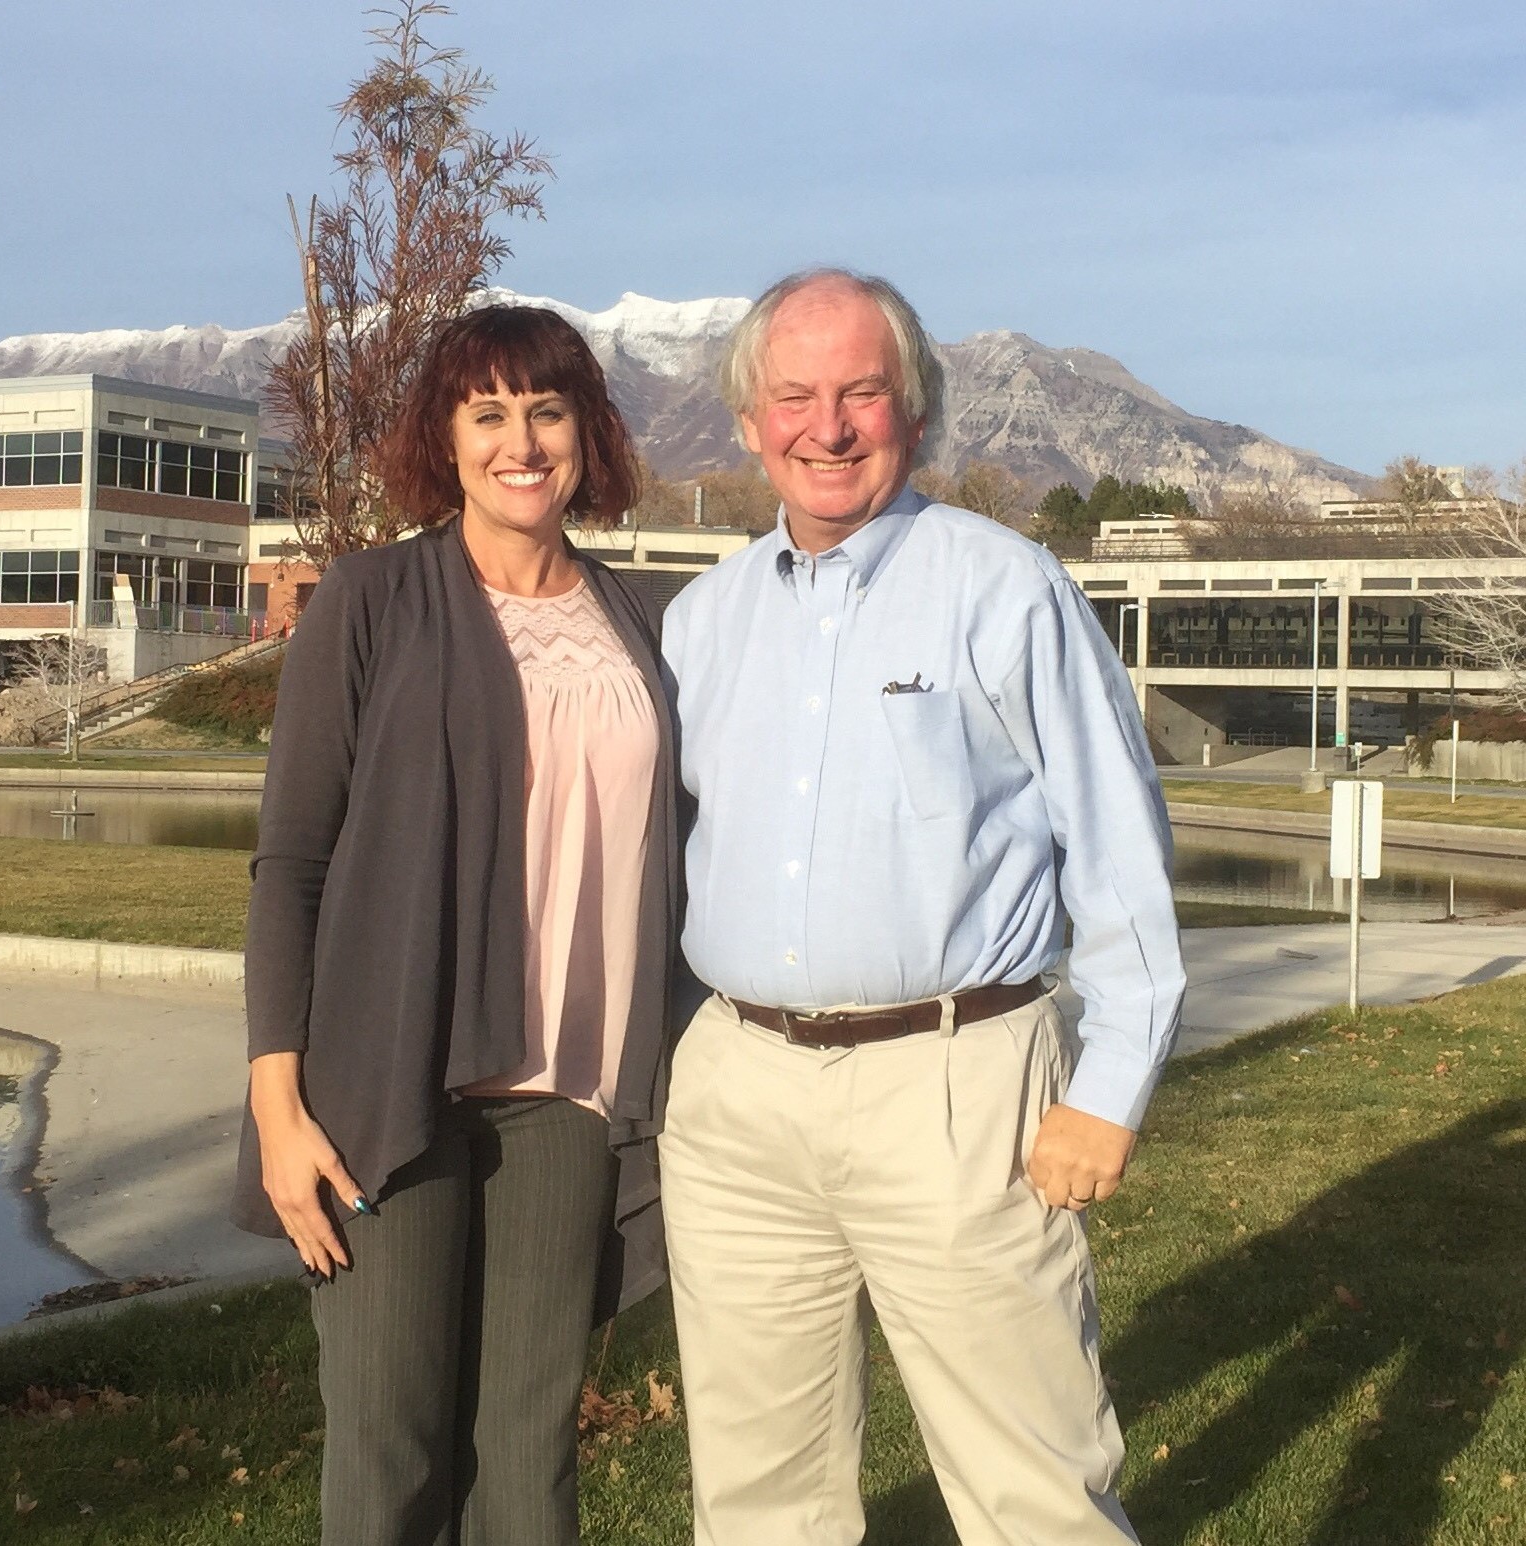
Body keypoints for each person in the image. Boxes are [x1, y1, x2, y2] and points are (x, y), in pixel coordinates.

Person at [658, 269, 1187, 1545]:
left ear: (914, 411)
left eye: (860, 393)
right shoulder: (701, 622)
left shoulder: (1004, 590)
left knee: (1032, 1489)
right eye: (792, 395)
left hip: (956, 1088)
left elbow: (1117, 853)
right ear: (746, 419)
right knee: (756, 1499)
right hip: (739, 1099)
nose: (825, 426)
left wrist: (1107, 1090)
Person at [231, 304, 680, 1546]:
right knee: (390, 1451)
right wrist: (279, 1106)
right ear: (446, 434)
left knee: (527, 1461)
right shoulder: (372, 600)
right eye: (487, 412)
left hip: (569, 1095)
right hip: (387, 1092)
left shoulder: (644, 619)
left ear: (587, 431)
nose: (520, 442)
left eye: (546, 410)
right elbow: (291, 865)